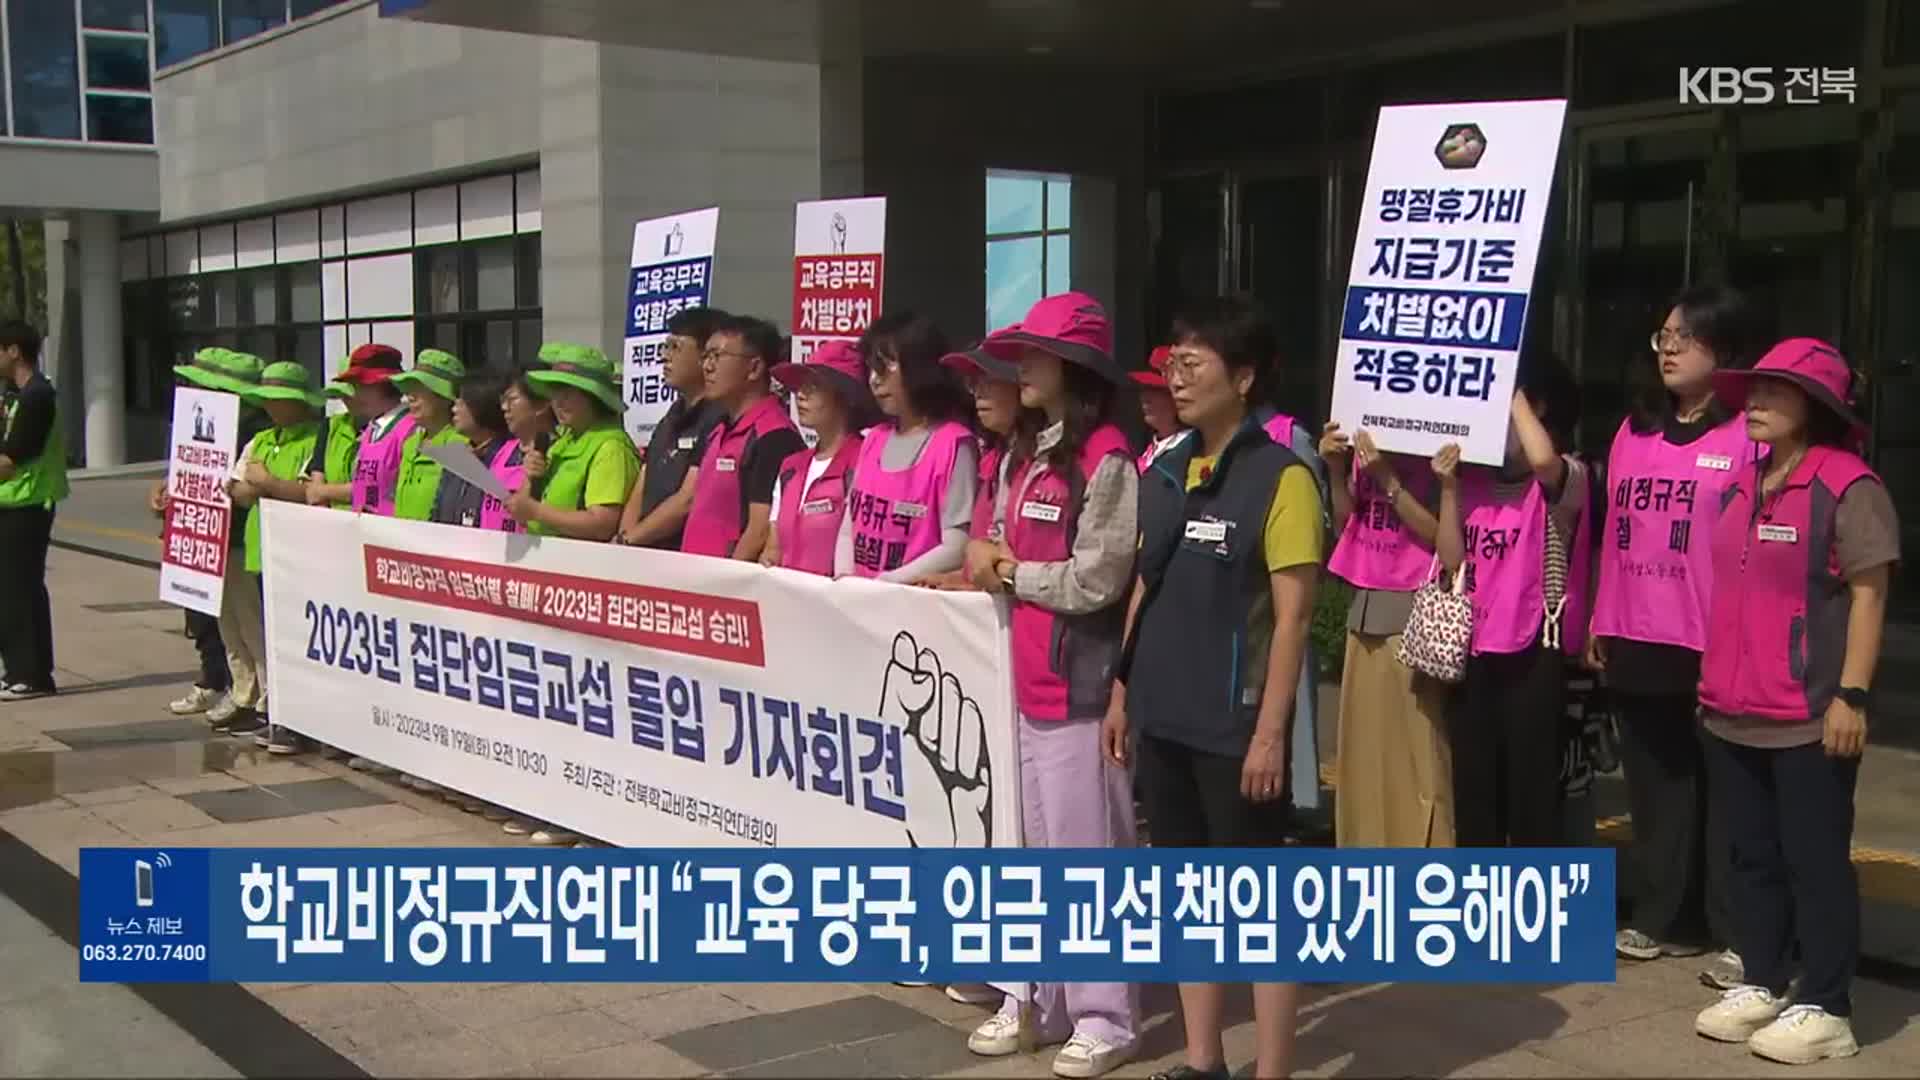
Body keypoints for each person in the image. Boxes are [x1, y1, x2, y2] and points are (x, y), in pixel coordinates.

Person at [1103, 295, 1320, 1080]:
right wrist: (1125, 693)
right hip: (1163, 710)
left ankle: (1272, 1069)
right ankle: (1203, 1061)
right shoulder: (1166, 469)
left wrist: (1270, 734)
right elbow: (1142, 588)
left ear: (1245, 375)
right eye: (1172, 362)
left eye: (1194, 363)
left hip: (1234, 727)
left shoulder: (1282, 478)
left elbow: (1293, 621)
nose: (1176, 376)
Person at [1691, 339, 1897, 1066]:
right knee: (1749, 857)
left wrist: (1853, 694)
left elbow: (1870, 597)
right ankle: (1765, 977)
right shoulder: (1742, 482)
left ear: (1815, 406)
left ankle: (1828, 1004)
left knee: (1815, 861)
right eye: (1751, 391)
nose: (1754, 403)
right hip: (1730, 706)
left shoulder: (1848, 484)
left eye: (1774, 392)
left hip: (1811, 712)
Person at [961, 293, 1140, 1079]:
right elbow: (993, 545)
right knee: (1029, 848)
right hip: (1022, 677)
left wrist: (1012, 573)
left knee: (1085, 855)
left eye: (1033, 354)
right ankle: (1035, 995)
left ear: (1072, 367)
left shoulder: (1108, 456)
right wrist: (992, 562)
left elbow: (1101, 576)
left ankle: (1108, 1015)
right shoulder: (1024, 453)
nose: (1019, 366)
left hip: (1078, 685)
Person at [1589, 286, 1761, 971]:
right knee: (1654, 789)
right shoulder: (1633, 431)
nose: (1668, 347)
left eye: (1685, 337)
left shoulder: (1746, 433)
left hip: (1710, 636)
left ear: (1725, 352)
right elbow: (1609, 533)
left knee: (1721, 790)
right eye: (1664, 335)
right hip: (1636, 631)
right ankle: (1662, 918)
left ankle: (1735, 930)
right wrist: (1601, 614)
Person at [1438, 365, 1591, 848]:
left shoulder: (1566, 479)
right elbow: (1450, 558)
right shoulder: (1472, 481)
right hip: (1472, 649)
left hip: (1532, 651)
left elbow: (1544, 461)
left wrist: (1505, 382)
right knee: (1474, 791)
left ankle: (1531, 909)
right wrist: (1446, 487)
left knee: (1532, 795)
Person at [1320, 419, 1451, 847]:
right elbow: (1347, 525)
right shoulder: (1367, 440)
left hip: (1415, 613)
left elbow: (1441, 537)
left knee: (1418, 761)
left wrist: (1386, 478)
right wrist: (1337, 471)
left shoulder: (1439, 450)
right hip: (1365, 607)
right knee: (1362, 758)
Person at [230, 362, 326, 754]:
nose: (271, 407)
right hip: (262, 550)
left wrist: (267, 484)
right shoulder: (261, 439)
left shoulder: (316, 438)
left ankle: (298, 720)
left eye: (279, 400)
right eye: (266, 400)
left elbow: (305, 492)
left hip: (302, 553)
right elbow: (239, 491)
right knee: (271, 636)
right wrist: (255, 488)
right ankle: (278, 714)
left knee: (300, 638)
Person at [839, 311, 978, 580]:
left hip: (914, 609)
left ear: (921, 365)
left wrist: (889, 582)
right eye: (870, 367)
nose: (874, 379)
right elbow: (848, 527)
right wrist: (845, 578)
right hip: (857, 603)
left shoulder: (954, 445)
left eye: (886, 366)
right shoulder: (873, 439)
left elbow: (957, 546)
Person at [157, 349, 258, 718]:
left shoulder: (252, 430)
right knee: (218, 619)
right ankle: (231, 685)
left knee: (247, 622)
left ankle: (252, 695)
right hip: (203, 537)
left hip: (237, 539)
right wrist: (168, 491)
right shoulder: (198, 422)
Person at [681, 316, 806, 561]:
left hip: (726, 587)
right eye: (705, 356)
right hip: (692, 579)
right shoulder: (716, 428)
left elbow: (760, 530)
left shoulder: (775, 438)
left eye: (717, 356)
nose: (707, 366)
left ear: (754, 368)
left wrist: (727, 588)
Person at [618, 307, 731, 548]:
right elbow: (642, 485)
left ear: (706, 356)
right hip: (641, 555)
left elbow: (687, 499)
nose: (664, 356)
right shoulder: (670, 417)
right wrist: (624, 539)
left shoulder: (719, 418)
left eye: (675, 347)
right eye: (665, 346)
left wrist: (630, 539)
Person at [760, 341, 876, 575]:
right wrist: (769, 558)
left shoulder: (866, 462)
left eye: (813, 386)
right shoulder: (790, 467)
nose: (800, 395)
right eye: (800, 386)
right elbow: (773, 545)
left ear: (845, 396)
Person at [508, 344, 640, 544]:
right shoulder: (563, 440)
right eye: (555, 394)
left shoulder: (610, 446)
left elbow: (602, 525)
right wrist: (530, 478)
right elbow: (521, 510)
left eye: (568, 394)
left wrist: (537, 511)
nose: (558, 402)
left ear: (593, 397)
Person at [0, 320, 68, 702]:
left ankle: (30, 674)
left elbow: (14, 457)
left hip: (28, 504)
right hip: (11, 502)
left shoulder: (37, 396)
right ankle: (23, 670)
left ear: (14, 351)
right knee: (13, 589)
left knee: (18, 590)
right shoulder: (14, 394)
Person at [311, 344, 411, 515]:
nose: (355, 394)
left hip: (393, 535)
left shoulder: (409, 429)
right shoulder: (372, 430)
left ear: (384, 384)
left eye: (361, 385)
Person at [431, 374, 523, 531]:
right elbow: (437, 513)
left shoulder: (514, 459)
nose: (454, 409)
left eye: (462, 402)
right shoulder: (457, 458)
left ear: (482, 405)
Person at [389, 349, 469, 521]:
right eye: (409, 388)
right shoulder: (410, 444)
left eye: (420, 388)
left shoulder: (462, 445)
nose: (410, 396)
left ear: (444, 397)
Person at [303, 357, 365, 512]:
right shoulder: (330, 425)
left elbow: (373, 490)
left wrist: (324, 491)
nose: (346, 399)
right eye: (342, 393)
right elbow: (313, 491)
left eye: (351, 393)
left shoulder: (391, 430)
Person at [1131, 345, 1186, 471]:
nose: (1145, 398)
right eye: (1144, 388)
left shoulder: (1189, 447)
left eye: (1155, 390)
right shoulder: (1152, 449)